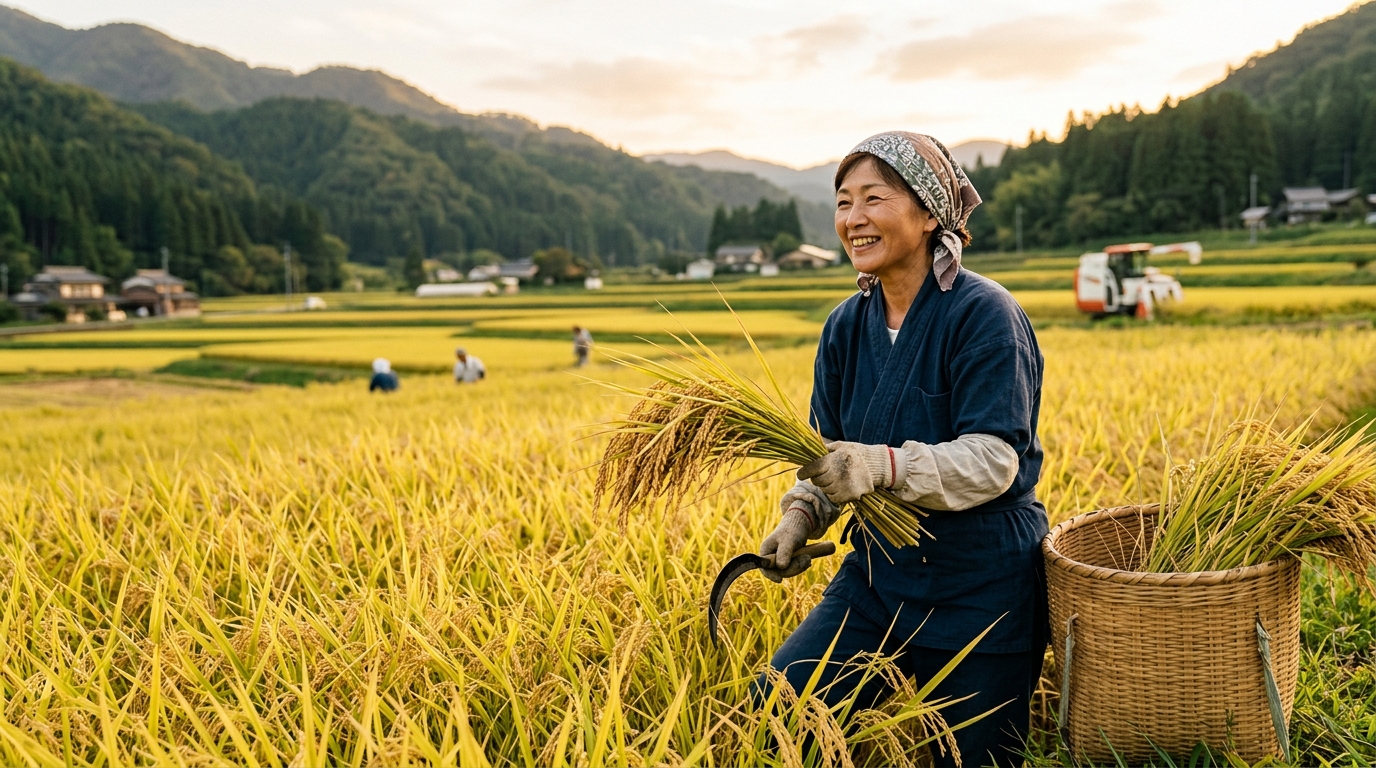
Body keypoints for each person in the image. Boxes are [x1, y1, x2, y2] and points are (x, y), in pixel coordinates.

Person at [756, 132, 1047, 767]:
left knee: (974, 759)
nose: (853, 218)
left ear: (929, 213)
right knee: (778, 712)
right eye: (843, 202)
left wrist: (881, 465)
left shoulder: (984, 314)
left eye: (874, 198)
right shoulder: (844, 327)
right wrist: (801, 515)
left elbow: (994, 460)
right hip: (879, 574)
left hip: (980, 581)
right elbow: (827, 455)